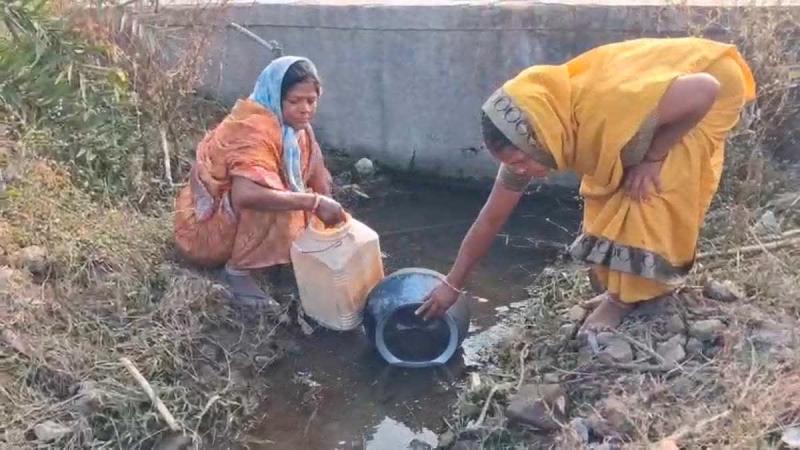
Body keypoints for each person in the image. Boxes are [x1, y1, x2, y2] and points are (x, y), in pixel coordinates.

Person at [416, 37, 756, 336]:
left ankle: (625, 299)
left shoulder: (606, 108)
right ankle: (622, 288)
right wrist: (452, 284)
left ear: (541, 137)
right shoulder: (545, 132)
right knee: (607, 188)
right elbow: (490, 218)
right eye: (512, 164)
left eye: (520, 162)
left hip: (712, 89)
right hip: (668, 97)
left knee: (646, 189)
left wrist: (654, 157)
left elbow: (706, 89)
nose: (520, 171)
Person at [174, 56, 346, 308]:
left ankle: (280, 259)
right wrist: (314, 202)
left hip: (235, 220)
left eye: (311, 101)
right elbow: (246, 195)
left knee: (303, 201)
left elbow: (319, 178)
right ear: (275, 96)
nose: (305, 109)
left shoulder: (298, 131)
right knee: (275, 197)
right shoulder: (252, 128)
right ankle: (237, 273)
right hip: (206, 231)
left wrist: (337, 229)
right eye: (295, 101)